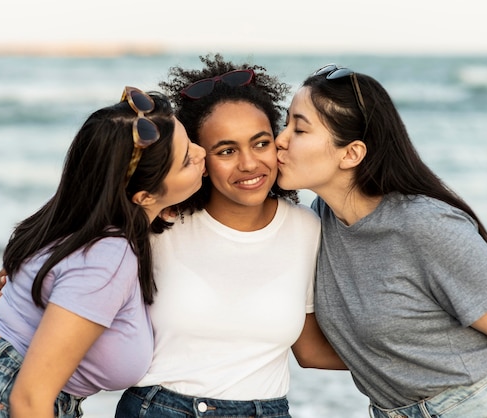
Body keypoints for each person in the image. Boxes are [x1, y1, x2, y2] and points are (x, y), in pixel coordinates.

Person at [274, 64, 487, 417]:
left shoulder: (425, 225)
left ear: (351, 154)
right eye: (285, 123)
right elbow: (314, 353)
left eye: (299, 128)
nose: (280, 139)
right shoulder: (319, 221)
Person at [0, 87, 206, 418]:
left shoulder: (84, 229)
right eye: (188, 158)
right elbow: (29, 399)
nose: (204, 153)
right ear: (144, 196)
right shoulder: (109, 256)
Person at [112, 54, 346, 418]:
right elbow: (79, 267)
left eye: (260, 143)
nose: (249, 164)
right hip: (160, 408)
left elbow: (311, 351)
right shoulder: (159, 224)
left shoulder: (308, 229)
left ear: (279, 143)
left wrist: (420, 357)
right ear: (199, 158)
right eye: (226, 150)